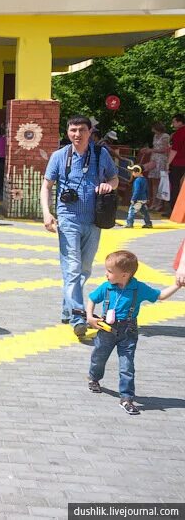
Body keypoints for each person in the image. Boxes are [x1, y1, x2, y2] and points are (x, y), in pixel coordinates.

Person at [40, 115, 119, 339]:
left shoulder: (100, 154)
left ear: (89, 132)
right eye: (73, 130)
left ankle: (67, 308)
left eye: (81, 130)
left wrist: (108, 185)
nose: (77, 134)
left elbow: (115, 180)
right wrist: (47, 213)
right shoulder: (59, 156)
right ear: (68, 132)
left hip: (94, 220)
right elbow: (46, 186)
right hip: (68, 220)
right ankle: (77, 316)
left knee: (84, 269)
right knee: (73, 268)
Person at [85, 250, 182, 415]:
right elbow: (92, 299)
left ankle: (126, 398)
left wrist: (177, 285)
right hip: (106, 329)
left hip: (128, 331)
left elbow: (161, 295)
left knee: (127, 365)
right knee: (99, 357)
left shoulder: (139, 288)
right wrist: (89, 317)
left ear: (124, 275)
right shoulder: (106, 287)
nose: (106, 274)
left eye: (109, 271)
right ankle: (94, 378)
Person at [147, 121, 171, 210]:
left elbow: (165, 149)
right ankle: (154, 202)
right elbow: (156, 147)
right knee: (154, 182)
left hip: (161, 159)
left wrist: (151, 150)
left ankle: (160, 203)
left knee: (161, 181)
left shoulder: (165, 136)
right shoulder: (155, 136)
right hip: (154, 158)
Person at [168, 114, 185, 215]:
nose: (173, 124)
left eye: (174, 122)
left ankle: (174, 209)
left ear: (180, 122)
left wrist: (167, 163)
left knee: (174, 185)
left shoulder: (179, 133)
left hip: (178, 163)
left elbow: (174, 150)